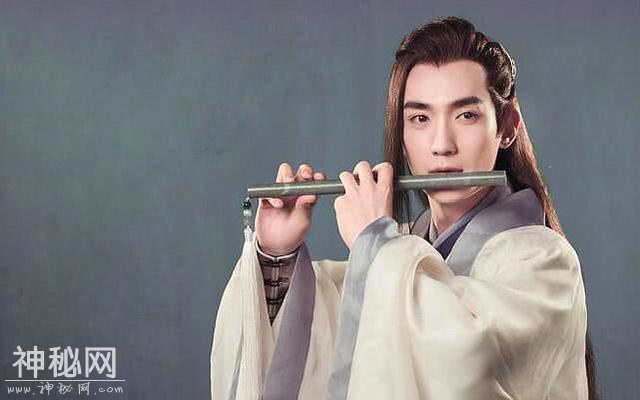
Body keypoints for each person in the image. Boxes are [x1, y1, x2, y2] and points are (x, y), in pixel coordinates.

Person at [211, 16, 597, 400]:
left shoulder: (545, 264)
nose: (441, 145)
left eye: (466, 115)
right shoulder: (396, 256)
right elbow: (319, 339)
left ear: (507, 127)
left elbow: (471, 363)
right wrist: (276, 256)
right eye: (420, 118)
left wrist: (375, 242)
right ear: (402, 132)